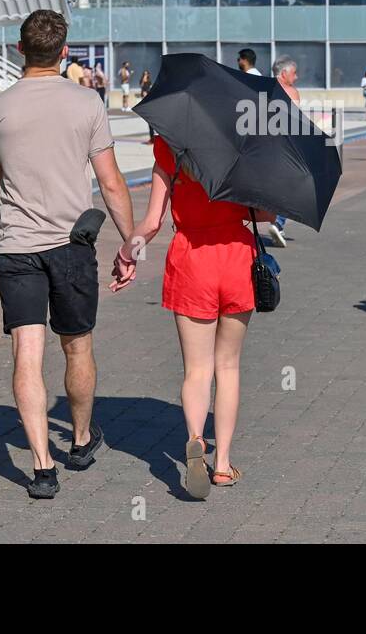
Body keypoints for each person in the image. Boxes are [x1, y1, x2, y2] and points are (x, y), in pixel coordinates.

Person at [0, 10, 138, 499]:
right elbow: (111, 182)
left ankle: (42, 467)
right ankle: (82, 440)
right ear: (64, 52)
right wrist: (130, 242)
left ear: (20, 50)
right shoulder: (87, 102)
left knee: (26, 352)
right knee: (77, 343)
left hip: (17, 247)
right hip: (72, 246)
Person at [129, 135, 276, 499]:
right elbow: (266, 216)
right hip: (236, 259)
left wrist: (127, 252)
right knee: (228, 366)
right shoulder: (243, 148)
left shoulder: (169, 148)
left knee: (197, 369)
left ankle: (196, 439)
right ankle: (223, 464)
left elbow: (151, 223)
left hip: (191, 257)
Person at [266, 56, 300, 248]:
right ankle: (277, 222)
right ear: (284, 73)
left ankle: (273, 221)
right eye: (294, 73)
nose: (296, 77)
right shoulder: (291, 92)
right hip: (285, 146)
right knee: (290, 186)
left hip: (264, 145)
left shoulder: (263, 89)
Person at [140, 70, 155, 143]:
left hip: (150, 101)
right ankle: (152, 138)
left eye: (147, 74)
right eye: (144, 74)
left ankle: (153, 138)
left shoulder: (149, 81)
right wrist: (143, 79)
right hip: (145, 102)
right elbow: (141, 86)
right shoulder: (142, 81)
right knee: (149, 122)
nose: (146, 75)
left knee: (151, 122)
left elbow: (150, 89)